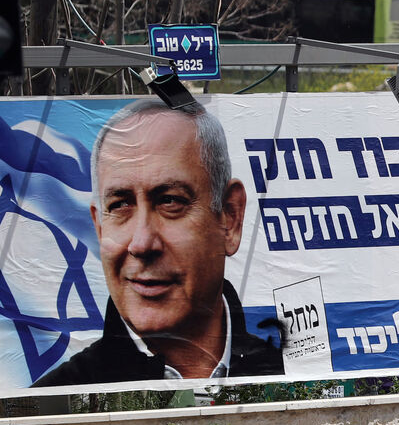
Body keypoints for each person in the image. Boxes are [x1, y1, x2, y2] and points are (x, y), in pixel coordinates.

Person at [34, 100, 283, 386]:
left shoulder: (298, 384)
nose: (141, 243)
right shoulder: (50, 407)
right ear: (99, 228)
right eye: (120, 205)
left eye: (170, 201)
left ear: (229, 218)